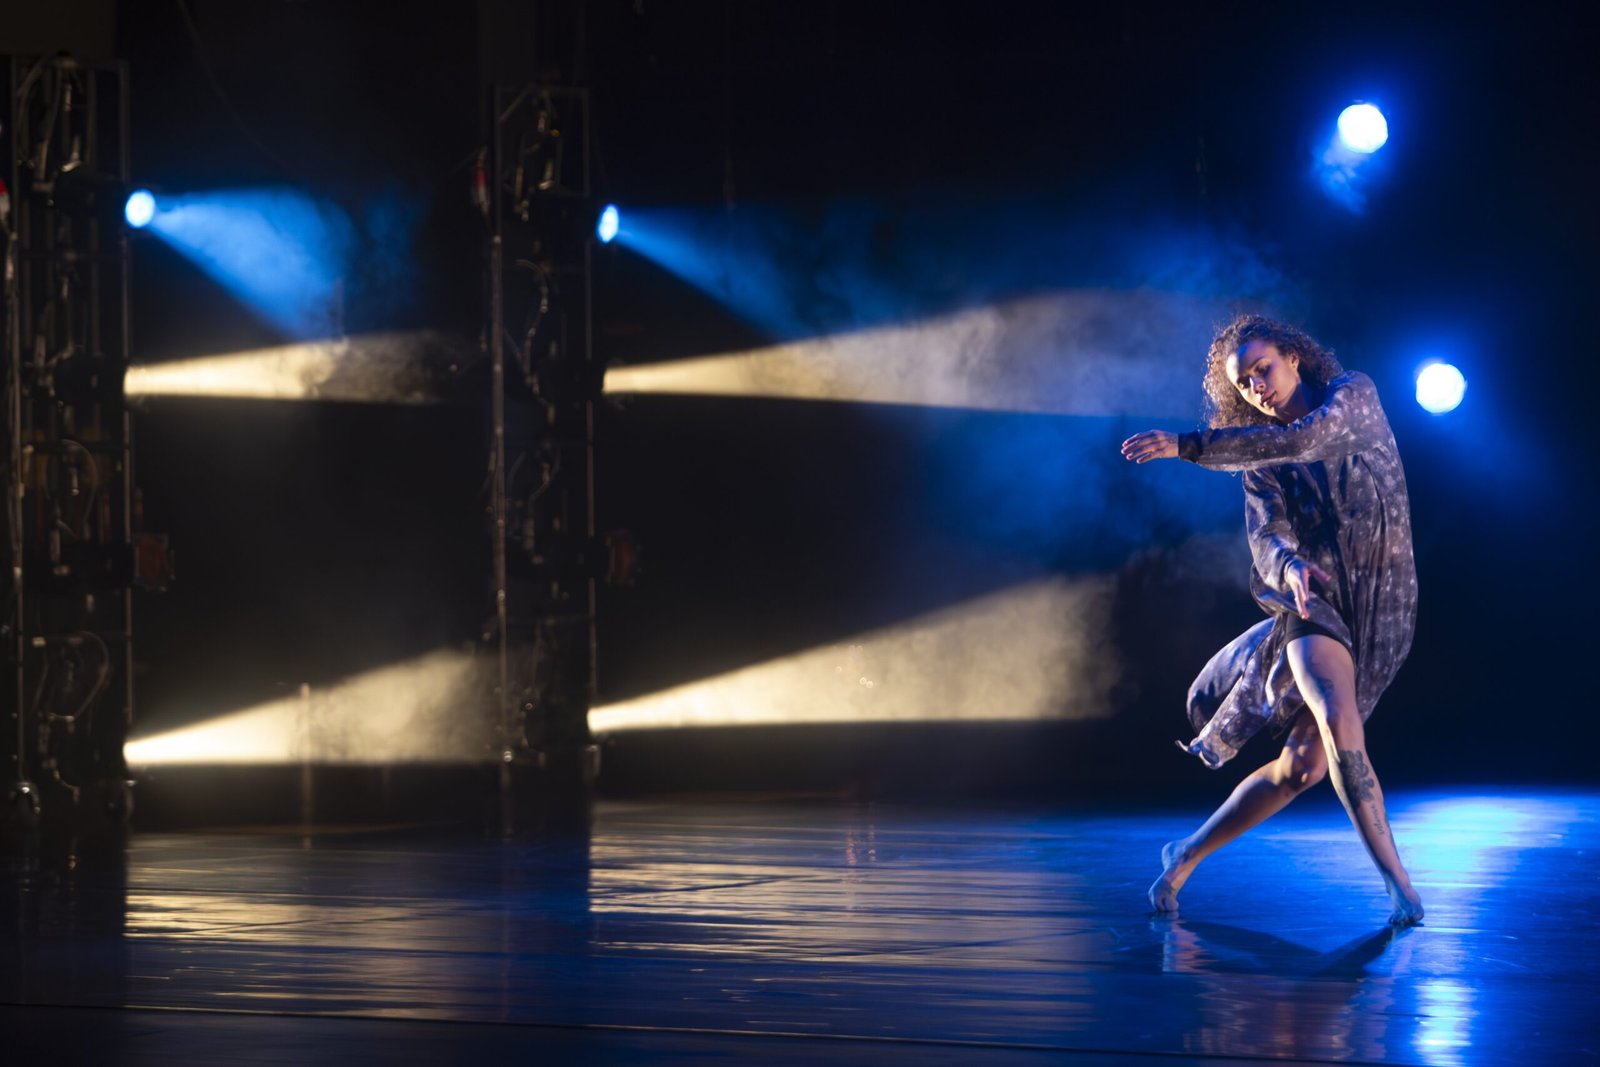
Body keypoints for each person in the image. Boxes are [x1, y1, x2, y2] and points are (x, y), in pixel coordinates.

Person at [1119, 314, 1425, 927]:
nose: (1258, 387)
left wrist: (1191, 445)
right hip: (1313, 610)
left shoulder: (1354, 398)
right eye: (1245, 383)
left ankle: (1185, 854)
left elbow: (1305, 439)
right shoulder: (1260, 461)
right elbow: (1268, 539)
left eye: (1263, 369)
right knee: (1340, 727)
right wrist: (1290, 573)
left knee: (1301, 768)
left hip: (1385, 614)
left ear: (1294, 358)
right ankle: (1399, 887)